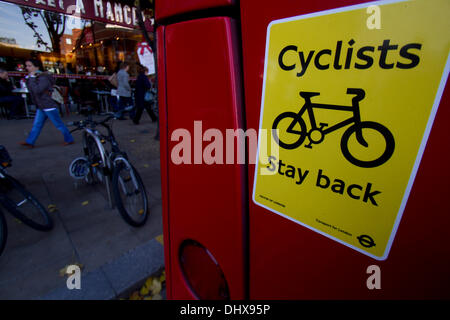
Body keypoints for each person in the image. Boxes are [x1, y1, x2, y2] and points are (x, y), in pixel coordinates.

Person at [19, 59, 74, 148]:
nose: (27, 68)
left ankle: (69, 139)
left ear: (36, 67)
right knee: (37, 125)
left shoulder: (43, 77)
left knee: (58, 124)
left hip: (48, 105)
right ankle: (30, 141)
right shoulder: (35, 77)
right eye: (27, 66)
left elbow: (37, 90)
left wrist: (31, 79)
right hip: (42, 105)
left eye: (30, 66)